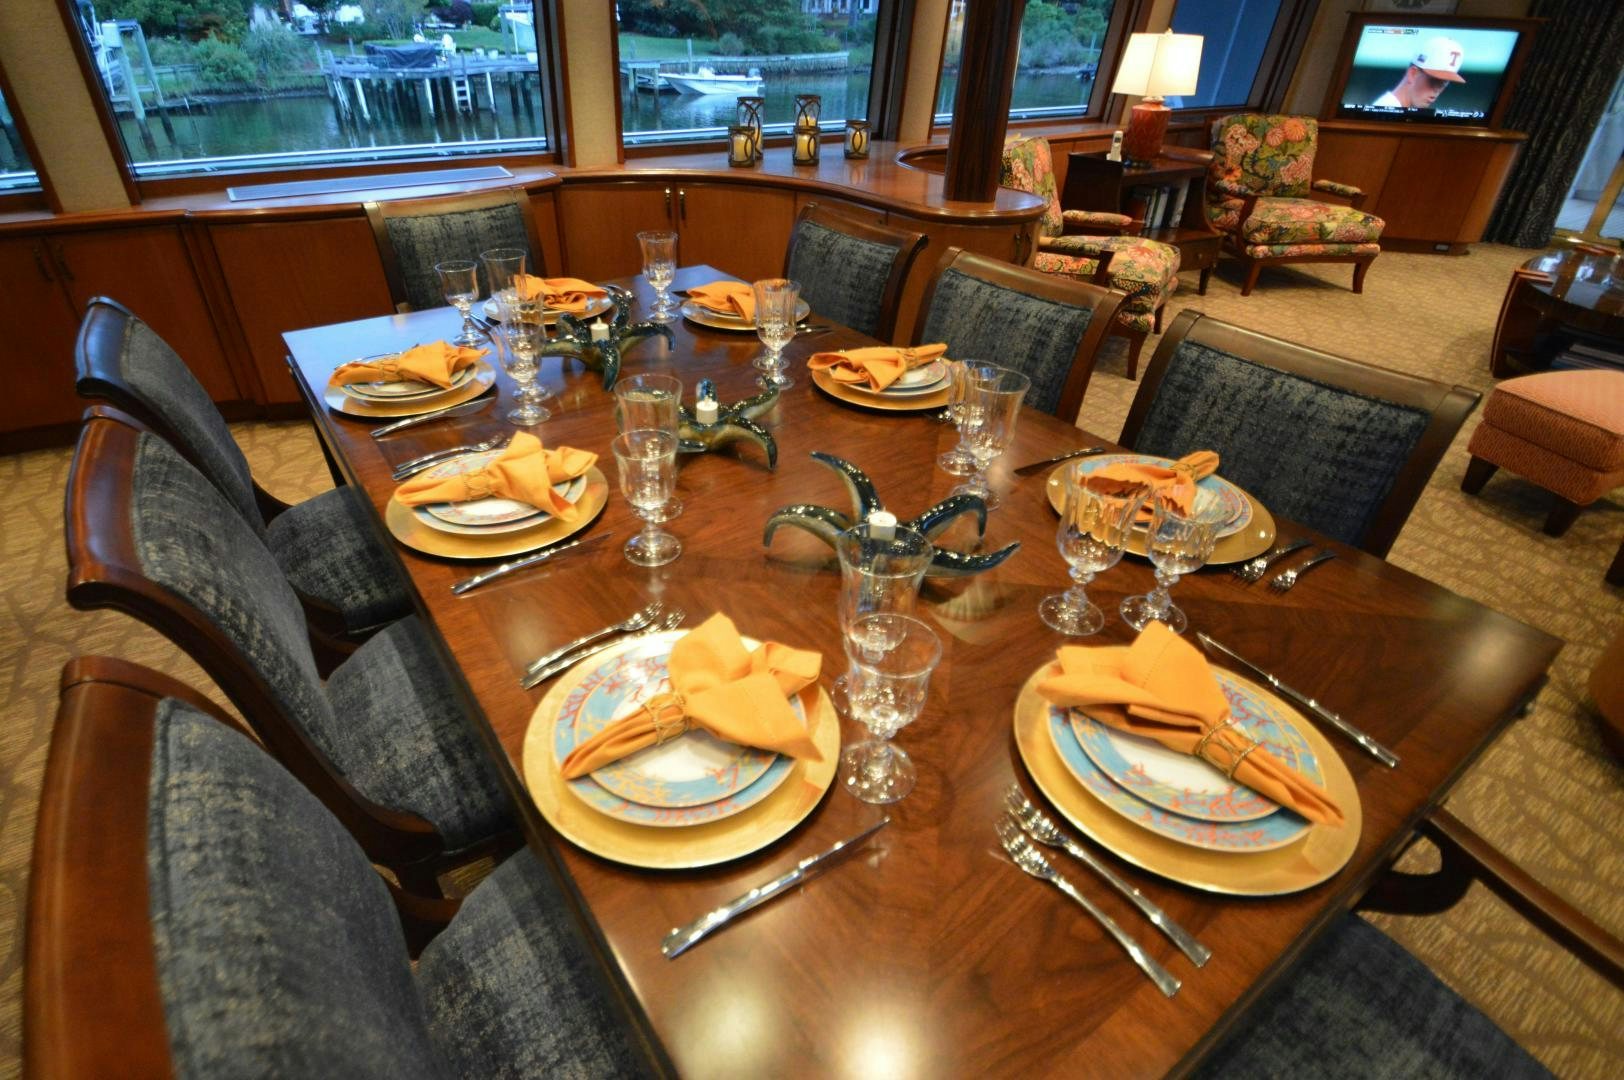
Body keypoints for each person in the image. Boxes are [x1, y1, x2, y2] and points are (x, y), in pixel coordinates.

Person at [1372, 36, 1466, 109]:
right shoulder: (1384, 111)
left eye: (1444, 83)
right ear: (1412, 74)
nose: (1437, 91)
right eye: (1434, 81)